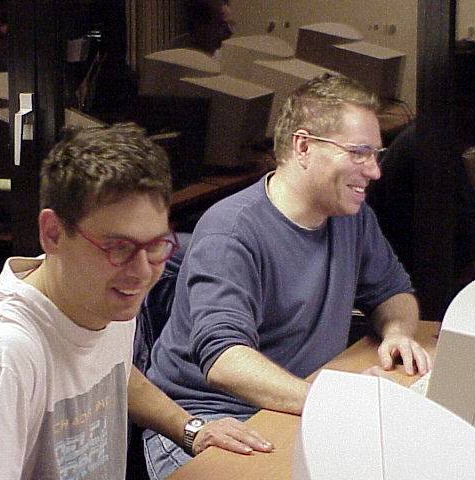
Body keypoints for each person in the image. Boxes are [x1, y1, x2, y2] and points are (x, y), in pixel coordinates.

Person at [0, 123, 272, 479]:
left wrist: (191, 429)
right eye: (118, 247)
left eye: (156, 245)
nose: (142, 272)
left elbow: (113, 371)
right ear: (52, 233)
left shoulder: (100, 300)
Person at [144, 73, 433, 479]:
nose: (375, 171)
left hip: (294, 402)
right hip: (210, 421)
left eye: (375, 154)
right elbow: (224, 360)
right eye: (359, 153)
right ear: (303, 146)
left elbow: (393, 291)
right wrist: (330, 401)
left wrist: (398, 332)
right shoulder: (232, 231)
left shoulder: (351, 216)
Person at [368, 40, 475, 290]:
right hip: (421, 299)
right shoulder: (428, 159)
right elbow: (466, 263)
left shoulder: (440, 143)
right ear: (466, 103)